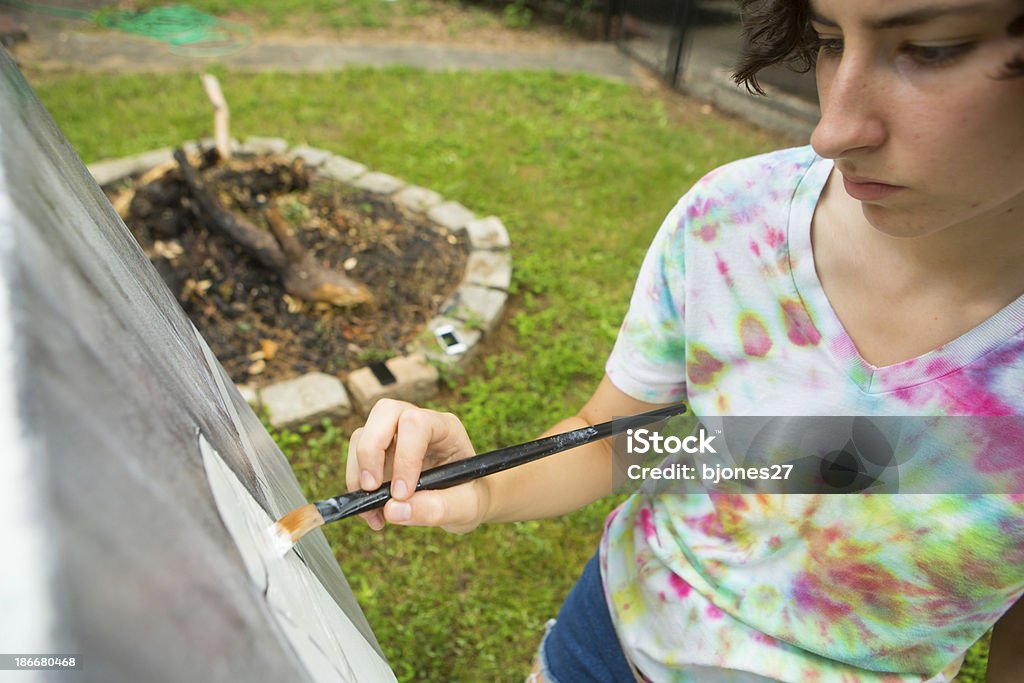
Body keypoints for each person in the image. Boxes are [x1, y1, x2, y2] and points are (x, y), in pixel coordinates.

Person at [346, 0, 1024, 680]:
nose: (833, 129)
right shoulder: (731, 222)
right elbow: (622, 444)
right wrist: (477, 489)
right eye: (827, 41)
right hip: (602, 648)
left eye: (932, 49)